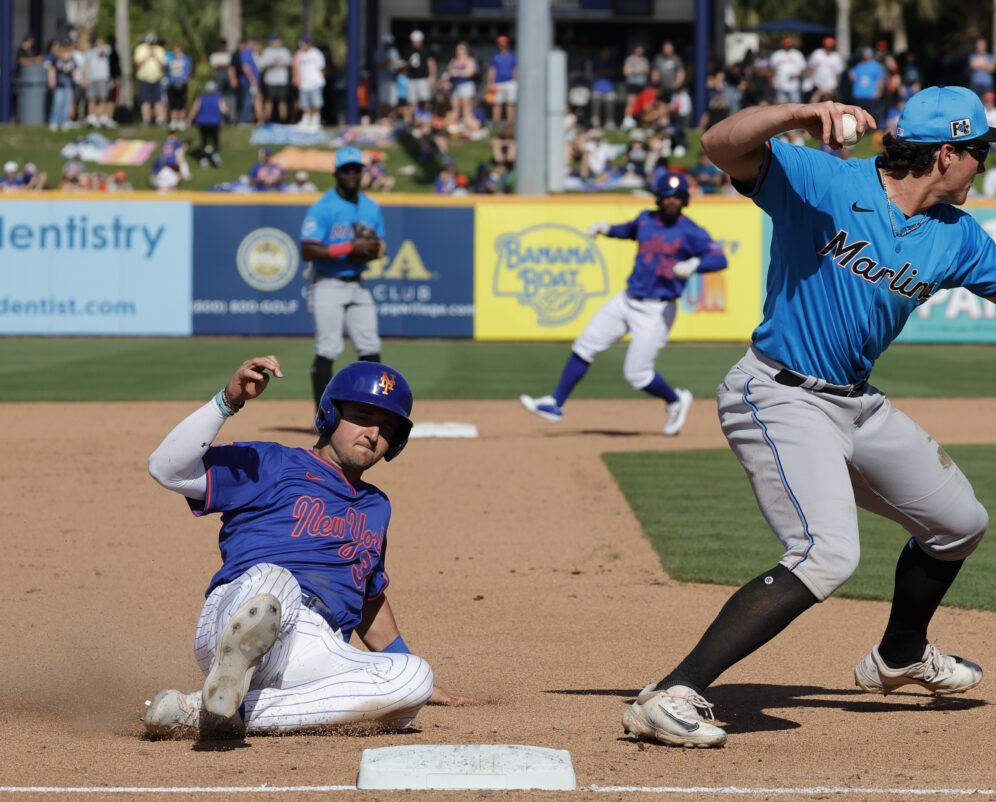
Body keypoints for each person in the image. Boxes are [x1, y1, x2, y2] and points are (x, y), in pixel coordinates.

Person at [620, 86, 996, 749]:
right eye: (978, 152)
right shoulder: (825, 179)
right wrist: (796, 115)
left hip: (854, 399)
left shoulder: (954, 235)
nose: (984, 165)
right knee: (827, 553)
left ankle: (900, 654)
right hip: (778, 392)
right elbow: (718, 146)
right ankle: (672, 691)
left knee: (959, 522)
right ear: (944, 155)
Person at [142, 356, 484, 738]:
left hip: (313, 650)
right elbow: (167, 468)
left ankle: (201, 712)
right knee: (276, 582)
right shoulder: (272, 463)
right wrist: (228, 401)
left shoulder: (376, 507)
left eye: (387, 427)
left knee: (414, 680)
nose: (373, 433)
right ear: (330, 414)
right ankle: (235, 666)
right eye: (363, 416)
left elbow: (368, 595)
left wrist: (406, 675)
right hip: (243, 610)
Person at [519, 172, 727, 435]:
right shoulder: (645, 219)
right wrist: (606, 229)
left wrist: (696, 263)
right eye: (667, 196)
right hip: (627, 299)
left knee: (636, 375)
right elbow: (627, 230)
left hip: (657, 309)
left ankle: (675, 400)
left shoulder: (691, 231)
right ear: (659, 198)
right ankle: (555, 403)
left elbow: (720, 259)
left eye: (677, 197)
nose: (672, 201)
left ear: (685, 200)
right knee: (585, 345)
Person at [301, 146, 386, 410]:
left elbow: (381, 245)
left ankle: (375, 410)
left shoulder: (371, 207)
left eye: (356, 169)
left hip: (357, 284)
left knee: (371, 346)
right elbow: (307, 248)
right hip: (326, 282)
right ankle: (323, 417)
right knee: (328, 348)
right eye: (346, 169)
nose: (352, 174)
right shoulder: (323, 207)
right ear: (337, 172)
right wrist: (350, 247)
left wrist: (372, 250)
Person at [187, 80, 227, 167]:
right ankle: (215, 154)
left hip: (202, 123)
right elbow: (224, 110)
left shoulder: (201, 98)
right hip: (214, 123)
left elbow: (195, 109)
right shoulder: (218, 99)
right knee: (215, 140)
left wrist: (189, 119)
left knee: (204, 141)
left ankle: (203, 159)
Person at [401, 30, 436, 122]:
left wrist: (432, 76)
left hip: (423, 78)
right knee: (413, 101)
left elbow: (431, 62)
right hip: (412, 79)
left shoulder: (426, 50)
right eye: (415, 41)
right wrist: (409, 62)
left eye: (418, 40)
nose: (416, 43)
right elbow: (404, 66)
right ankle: (415, 121)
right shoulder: (408, 50)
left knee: (425, 100)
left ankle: (426, 119)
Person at [294, 36, 327, 131]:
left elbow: (322, 68)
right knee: (305, 103)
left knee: (316, 103)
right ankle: (306, 120)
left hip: (315, 83)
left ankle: (315, 120)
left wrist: (320, 81)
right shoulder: (301, 54)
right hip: (304, 83)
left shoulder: (316, 54)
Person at [260, 33, 294, 124]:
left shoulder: (285, 51)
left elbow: (291, 65)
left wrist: (283, 64)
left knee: (282, 101)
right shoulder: (266, 52)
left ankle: (283, 120)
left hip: (282, 80)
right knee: (269, 100)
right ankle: (267, 120)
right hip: (270, 80)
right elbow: (262, 66)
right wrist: (272, 64)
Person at [134, 33, 167, 125]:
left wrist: (155, 55)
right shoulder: (140, 49)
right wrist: (149, 54)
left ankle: (159, 120)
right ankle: (146, 120)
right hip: (144, 78)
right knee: (145, 100)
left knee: (158, 100)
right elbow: (138, 63)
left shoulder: (159, 50)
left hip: (157, 78)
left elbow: (163, 64)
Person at [486, 35, 518, 126]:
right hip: (497, 83)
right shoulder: (495, 56)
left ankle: (510, 125)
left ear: (507, 45)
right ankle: (496, 125)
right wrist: (489, 83)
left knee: (510, 103)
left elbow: (515, 69)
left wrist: (516, 82)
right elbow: (492, 70)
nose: (501, 46)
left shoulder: (512, 55)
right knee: (497, 104)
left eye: (503, 44)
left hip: (510, 82)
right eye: (500, 44)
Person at [621, 44, 651, 128]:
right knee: (631, 102)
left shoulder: (645, 60)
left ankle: (640, 122)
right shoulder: (629, 59)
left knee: (642, 104)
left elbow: (647, 71)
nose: (639, 51)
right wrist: (639, 70)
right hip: (632, 84)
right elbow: (626, 72)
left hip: (642, 85)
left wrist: (635, 70)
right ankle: (627, 121)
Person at [166, 42, 194, 131]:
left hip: (182, 82)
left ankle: (181, 120)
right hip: (172, 83)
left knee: (181, 103)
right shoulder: (171, 59)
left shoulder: (186, 59)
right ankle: (174, 121)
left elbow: (189, 70)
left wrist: (184, 78)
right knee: (173, 103)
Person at [807, 37, 844, 103]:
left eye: (830, 46)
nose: (828, 48)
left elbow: (838, 73)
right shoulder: (817, 53)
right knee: (813, 101)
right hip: (818, 84)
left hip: (831, 85)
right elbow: (811, 67)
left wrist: (836, 85)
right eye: (827, 46)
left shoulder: (836, 56)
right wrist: (812, 80)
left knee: (834, 102)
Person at [770, 37, 805, 105]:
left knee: (796, 106)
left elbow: (802, 69)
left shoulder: (797, 54)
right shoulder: (777, 55)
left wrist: (796, 75)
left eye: (789, 45)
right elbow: (771, 70)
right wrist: (772, 82)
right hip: (780, 85)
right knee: (779, 106)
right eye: (786, 45)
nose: (787, 46)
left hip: (793, 86)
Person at [374, 33, 401, 113]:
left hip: (392, 79)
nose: (388, 44)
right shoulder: (379, 51)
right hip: (383, 80)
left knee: (392, 101)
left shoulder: (394, 51)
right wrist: (389, 61)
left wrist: (392, 63)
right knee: (383, 100)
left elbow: (397, 63)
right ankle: (381, 117)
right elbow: (378, 63)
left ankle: (391, 117)